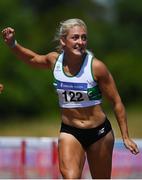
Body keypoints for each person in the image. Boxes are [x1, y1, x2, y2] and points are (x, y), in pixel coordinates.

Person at [1, 18, 139, 179]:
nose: (80, 42)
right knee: (70, 177)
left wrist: (126, 136)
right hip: (70, 131)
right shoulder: (55, 61)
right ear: (63, 40)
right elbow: (32, 59)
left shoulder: (96, 67)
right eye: (75, 37)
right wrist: (12, 44)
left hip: (99, 133)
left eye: (84, 37)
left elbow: (117, 102)